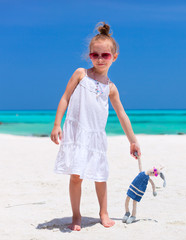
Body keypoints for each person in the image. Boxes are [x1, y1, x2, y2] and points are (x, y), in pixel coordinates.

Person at [50, 22, 141, 230]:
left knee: (100, 176)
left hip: (96, 137)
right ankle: (76, 215)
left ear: (114, 57)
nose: (100, 59)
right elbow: (65, 97)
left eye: (105, 55)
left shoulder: (111, 88)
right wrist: (57, 124)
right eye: (95, 55)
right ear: (90, 56)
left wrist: (133, 141)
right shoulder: (81, 74)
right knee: (76, 176)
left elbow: (122, 115)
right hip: (76, 134)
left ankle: (103, 212)